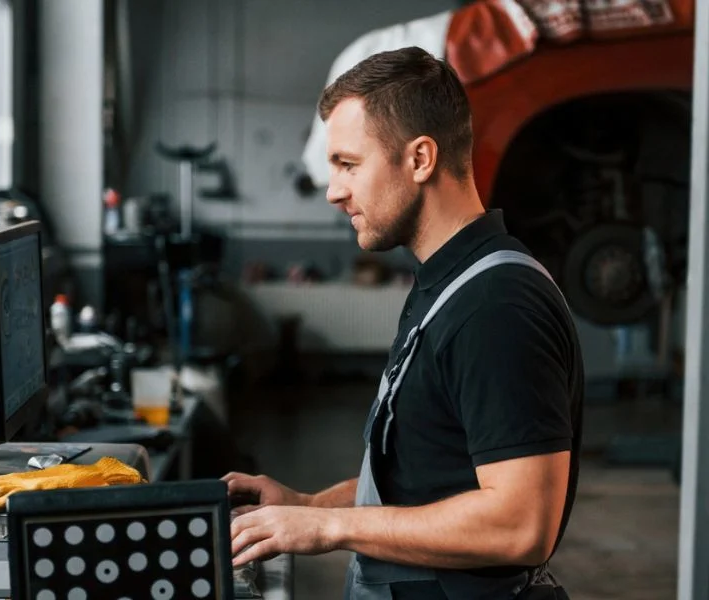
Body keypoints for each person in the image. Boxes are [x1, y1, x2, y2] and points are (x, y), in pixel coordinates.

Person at [224, 46, 583, 600]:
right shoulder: (446, 283)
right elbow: (428, 480)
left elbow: (521, 525)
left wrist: (328, 528)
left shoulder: (496, 305)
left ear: (420, 159)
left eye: (348, 164)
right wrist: (308, 504)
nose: (333, 190)